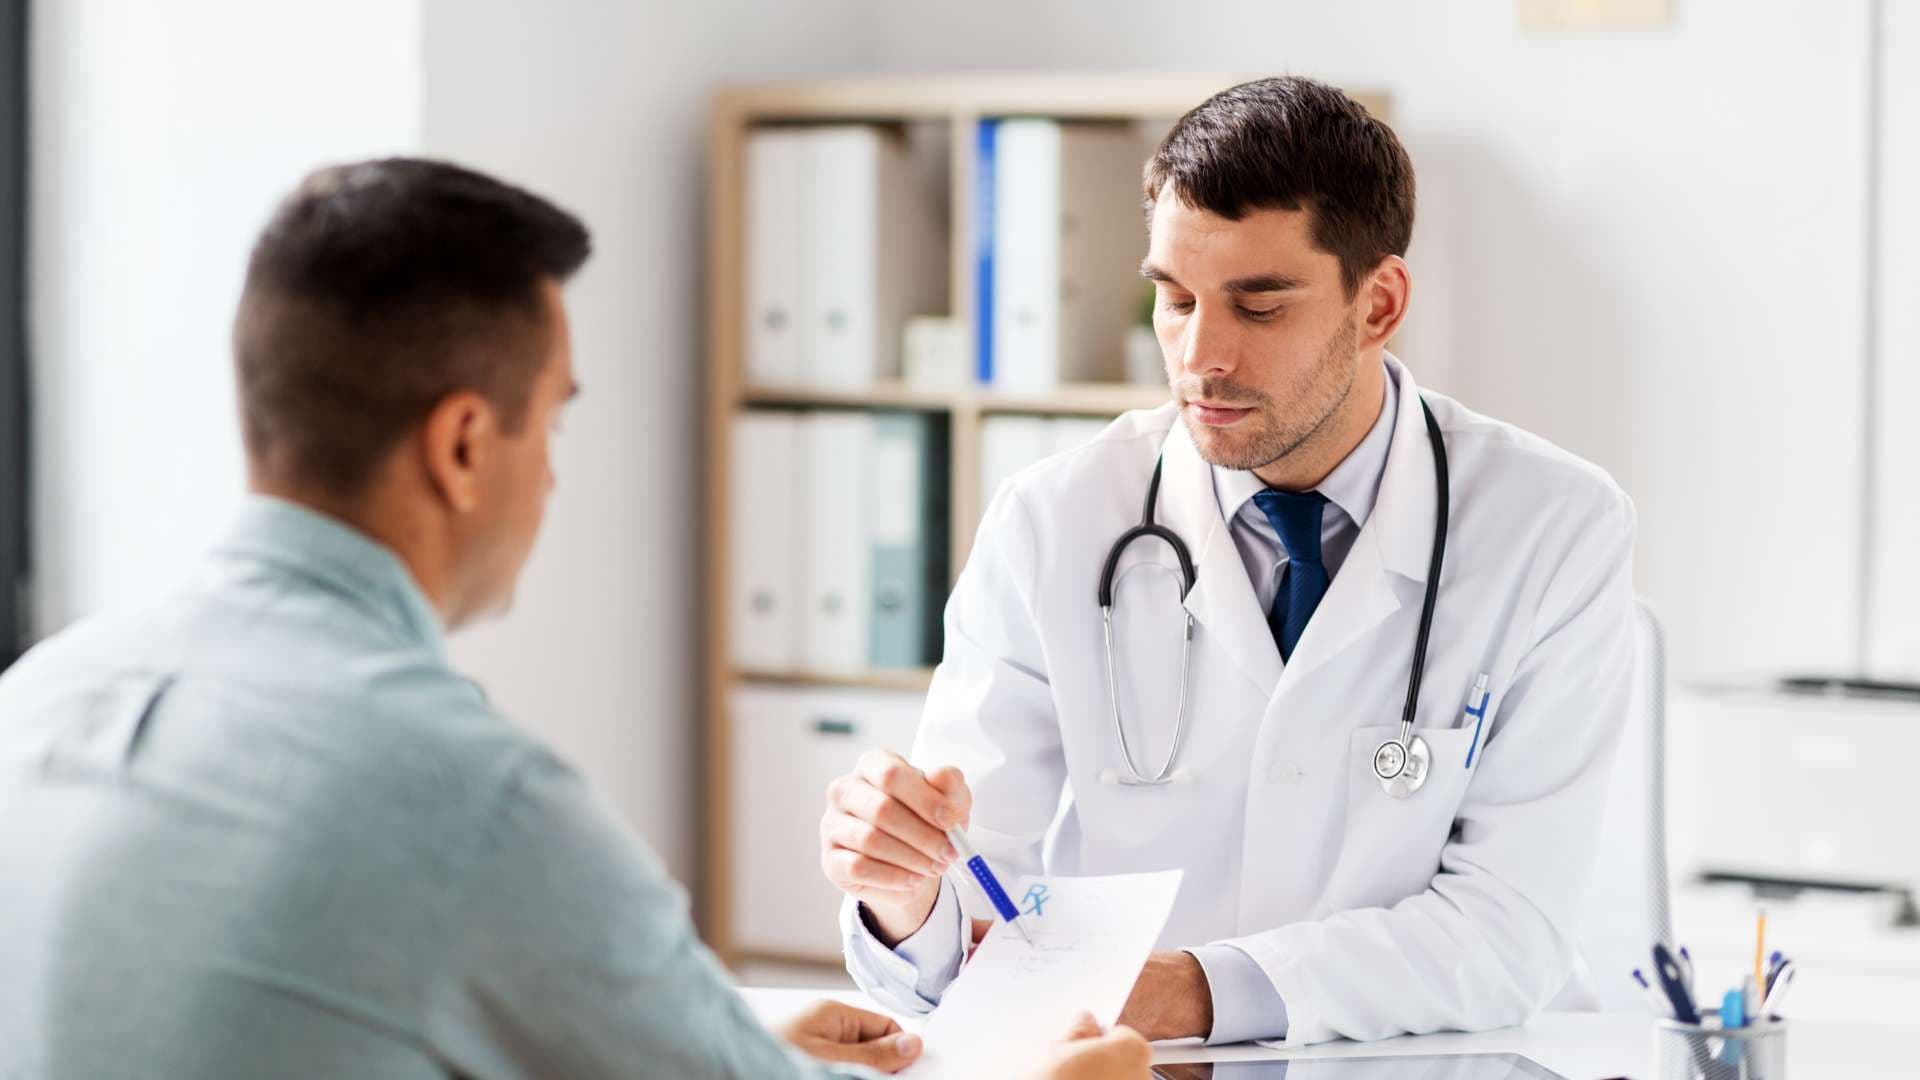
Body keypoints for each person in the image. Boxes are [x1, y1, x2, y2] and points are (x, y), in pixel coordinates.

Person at [0, 158, 1148, 1079]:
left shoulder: (39, 698)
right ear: (461, 446)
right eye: (550, 424)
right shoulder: (466, 799)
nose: (550, 478)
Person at [821, 76, 1639, 1046]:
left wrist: (1191, 991)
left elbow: (1510, 930)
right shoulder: (1056, 521)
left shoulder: (1553, 526)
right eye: (1171, 299)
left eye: (1259, 307)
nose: (1199, 355)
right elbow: (965, 911)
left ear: (1379, 304)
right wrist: (904, 898)